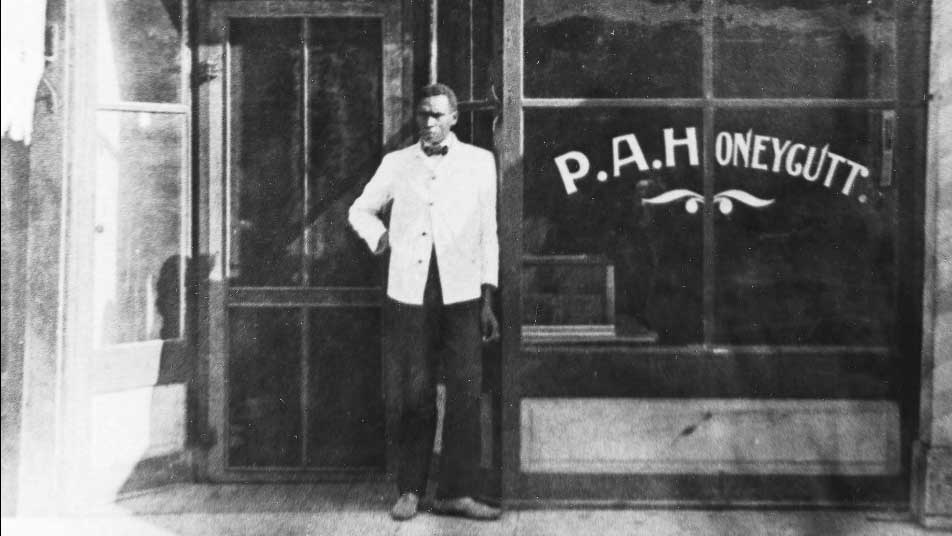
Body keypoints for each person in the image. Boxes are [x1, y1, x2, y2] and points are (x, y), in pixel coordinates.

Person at [348, 83, 501, 521]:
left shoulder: (479, 163)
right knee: (415, 394)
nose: (430, 123)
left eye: (437, 115)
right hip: (411, 295)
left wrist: (488, 299)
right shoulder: (397, 164)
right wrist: (379, 240)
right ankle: (410, 489)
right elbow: (360, 209)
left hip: (463, 294)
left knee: (466, 393)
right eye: (423, 115)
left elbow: (489, 232)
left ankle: (457, 491)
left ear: (454, 117)